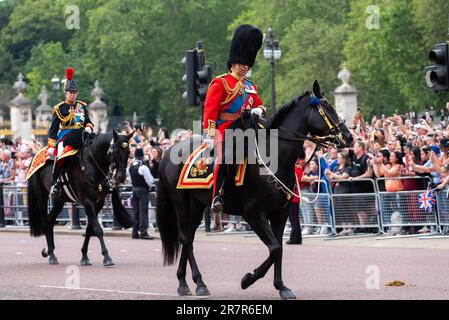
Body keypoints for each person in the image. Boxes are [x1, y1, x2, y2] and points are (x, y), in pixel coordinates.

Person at [203, 24, 266, 215]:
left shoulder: (250, 86)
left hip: (247, 128)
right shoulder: (220, 82)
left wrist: (258, 110)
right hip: (225, 128)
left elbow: (262, 105)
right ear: (234, 62)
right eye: (243, 63)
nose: (246, 67)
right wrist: (210, 135)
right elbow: (210, 111)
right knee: (224, 157)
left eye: (248, 64)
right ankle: (217, 196)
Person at [47, 68, 94, 195]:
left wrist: (89, 126)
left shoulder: (82, 106)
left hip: (82, 135)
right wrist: (51, 145)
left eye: (74, 92)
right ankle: (54, 182)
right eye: (70, 92)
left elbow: (88, 121)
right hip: (66, 137)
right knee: (61, 157)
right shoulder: (59, 108)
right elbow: (53, 129)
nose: (72, 94)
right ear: (66, 93)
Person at [129, 148, 154, 240]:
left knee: (136, 212)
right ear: (142, 156)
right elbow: (150, 180)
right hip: (143, 190)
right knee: (143, 212)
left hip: (134, 189)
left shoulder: (131, 166)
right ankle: (143, 232)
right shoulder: (143, 166)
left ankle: (134, 232)